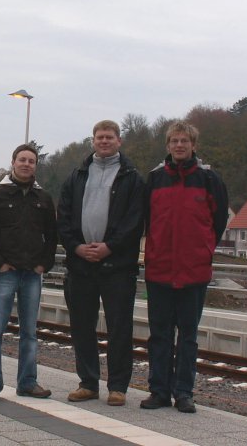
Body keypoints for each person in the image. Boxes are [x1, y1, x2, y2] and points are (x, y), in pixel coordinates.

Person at [141, 121, 228, 413]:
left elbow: (218, 223)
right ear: (168, 145)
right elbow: (145, 220)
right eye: (175, 141)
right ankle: (159, 391)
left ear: (194, 145)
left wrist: (203, 249)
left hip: (193, 272)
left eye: (185, 141)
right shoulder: (154, 179)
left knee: (188, 336)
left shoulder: (209, 180)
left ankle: (184, 393)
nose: (179, 145)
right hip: (160, 270)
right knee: (160, 335)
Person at [57, 120, 145, 407]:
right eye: (99, 137)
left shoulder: (131, 177)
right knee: (82, 326)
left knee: (120, 328)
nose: (104, 141)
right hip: (81, 265)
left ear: (119, 141)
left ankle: (118, 387)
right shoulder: (78, 175)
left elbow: (135, 222)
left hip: (117, 267)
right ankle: (88, 383)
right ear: (93, 141)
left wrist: (109, 247)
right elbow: (64, 217)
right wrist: (76, 247)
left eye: (109, 137)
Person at [0, 144, 58, 403]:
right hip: (4, 273)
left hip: (32, 274)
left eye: (31, 161)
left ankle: (28, 383)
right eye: (22, 160)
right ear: (12, 162)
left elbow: (52, 237)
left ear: (36, 166)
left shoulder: (43, 199)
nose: (26, 164)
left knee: (29, 332)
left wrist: (45, 263)